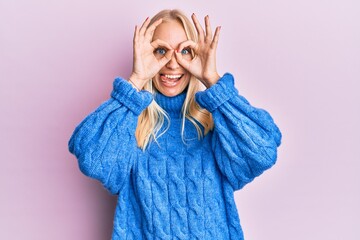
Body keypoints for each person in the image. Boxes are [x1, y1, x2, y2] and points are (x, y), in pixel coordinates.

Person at [68, 9, 282, 240]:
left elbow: (263, 151)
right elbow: (91, 157)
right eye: (161, 51)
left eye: (185, 52)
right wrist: (136, 80)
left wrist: (212, 80)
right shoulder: (130, 124)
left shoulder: (215, 122)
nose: (172, 63)